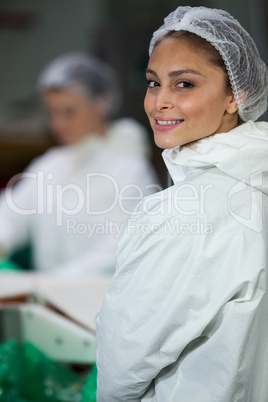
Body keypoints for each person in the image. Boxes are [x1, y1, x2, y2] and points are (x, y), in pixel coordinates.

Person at [96, 6, 268, 401]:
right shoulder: (255, 183)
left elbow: (123, 361)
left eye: (185, 84)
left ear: (234, 96)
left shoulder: (183, 212)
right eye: (153, 83)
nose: (160, 102)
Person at [0, 53, 159, 275]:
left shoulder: (129, 169)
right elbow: (10, 214)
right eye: (51, 113)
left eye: (69, 112)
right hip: (49, 298)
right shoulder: (51, 164)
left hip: (99, 302)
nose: (58, 123)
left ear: (101, 104)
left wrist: (51, 283)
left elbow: (117, 249)